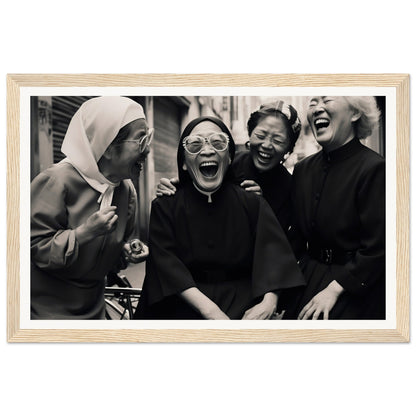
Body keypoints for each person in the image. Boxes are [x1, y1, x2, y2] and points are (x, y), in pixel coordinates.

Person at [134, 116, 305, 319]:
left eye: (217, 143)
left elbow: (274, 257)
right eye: (195, 145)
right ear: (185, 163)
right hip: (181, 304)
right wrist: (212, 311)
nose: (207, 150)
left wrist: (269, 302)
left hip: (242, 306)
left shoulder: (252, 202)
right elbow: (166, 265)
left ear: (230, 157)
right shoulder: (165, 205)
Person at [31, 96, 152, 319]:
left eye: (149, 139)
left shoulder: (126, 191)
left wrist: (126, 250)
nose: (148, 151)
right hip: (44, 313)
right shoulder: (56, 181)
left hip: (95, 311)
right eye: (141, 141)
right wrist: (84, 233)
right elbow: (32, 248)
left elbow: (111, 261)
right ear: (107, 145)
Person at [288, 96, 385, 320]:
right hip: (308, 277)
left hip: (354, 286)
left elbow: (379, 247)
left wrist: (335, 288)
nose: (317, 109)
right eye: (313, 103)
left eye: (327, 100)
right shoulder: (302, 169)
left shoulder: (374, 169)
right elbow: (293, 239)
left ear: (355, 113)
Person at [156, 101, 301, 234]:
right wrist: (174, 186)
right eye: (260, 135)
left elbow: (277, 240)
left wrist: (260, 208)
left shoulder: (289, 187)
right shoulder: (228, 163)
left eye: (278, 140)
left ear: (289, 147)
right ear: (250, 134)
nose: (266, 145)